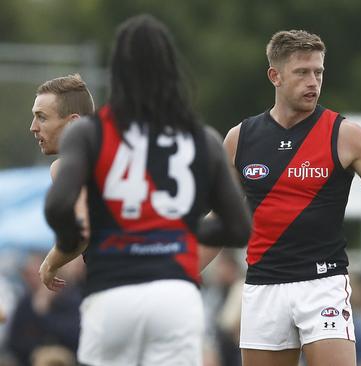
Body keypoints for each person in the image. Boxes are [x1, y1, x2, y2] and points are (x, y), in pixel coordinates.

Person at [44, 14, 251, 366]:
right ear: (172, 70)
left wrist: (70, 244)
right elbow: (238, 226)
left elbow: (58, 206)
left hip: (112, 291)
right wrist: (173, 228)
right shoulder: (203, 139)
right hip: (175, 294)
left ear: (117, 72)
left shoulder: (88, 134)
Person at [222, 30, 361, 366]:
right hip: (263, 284)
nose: (313, 82)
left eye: (319, 72)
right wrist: (180, 271)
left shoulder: (344, 135)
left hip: (323, 283)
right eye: (302, 72)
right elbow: (221, 222)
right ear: (275, 75)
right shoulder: (240, 139)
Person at [29, 74, 95, 291]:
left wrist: (49, 264)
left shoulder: (66, 166)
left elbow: (82, 231)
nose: (33, 127)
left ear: (73, 123)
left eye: (42, 117)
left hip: (118, 292)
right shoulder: (125, 159)